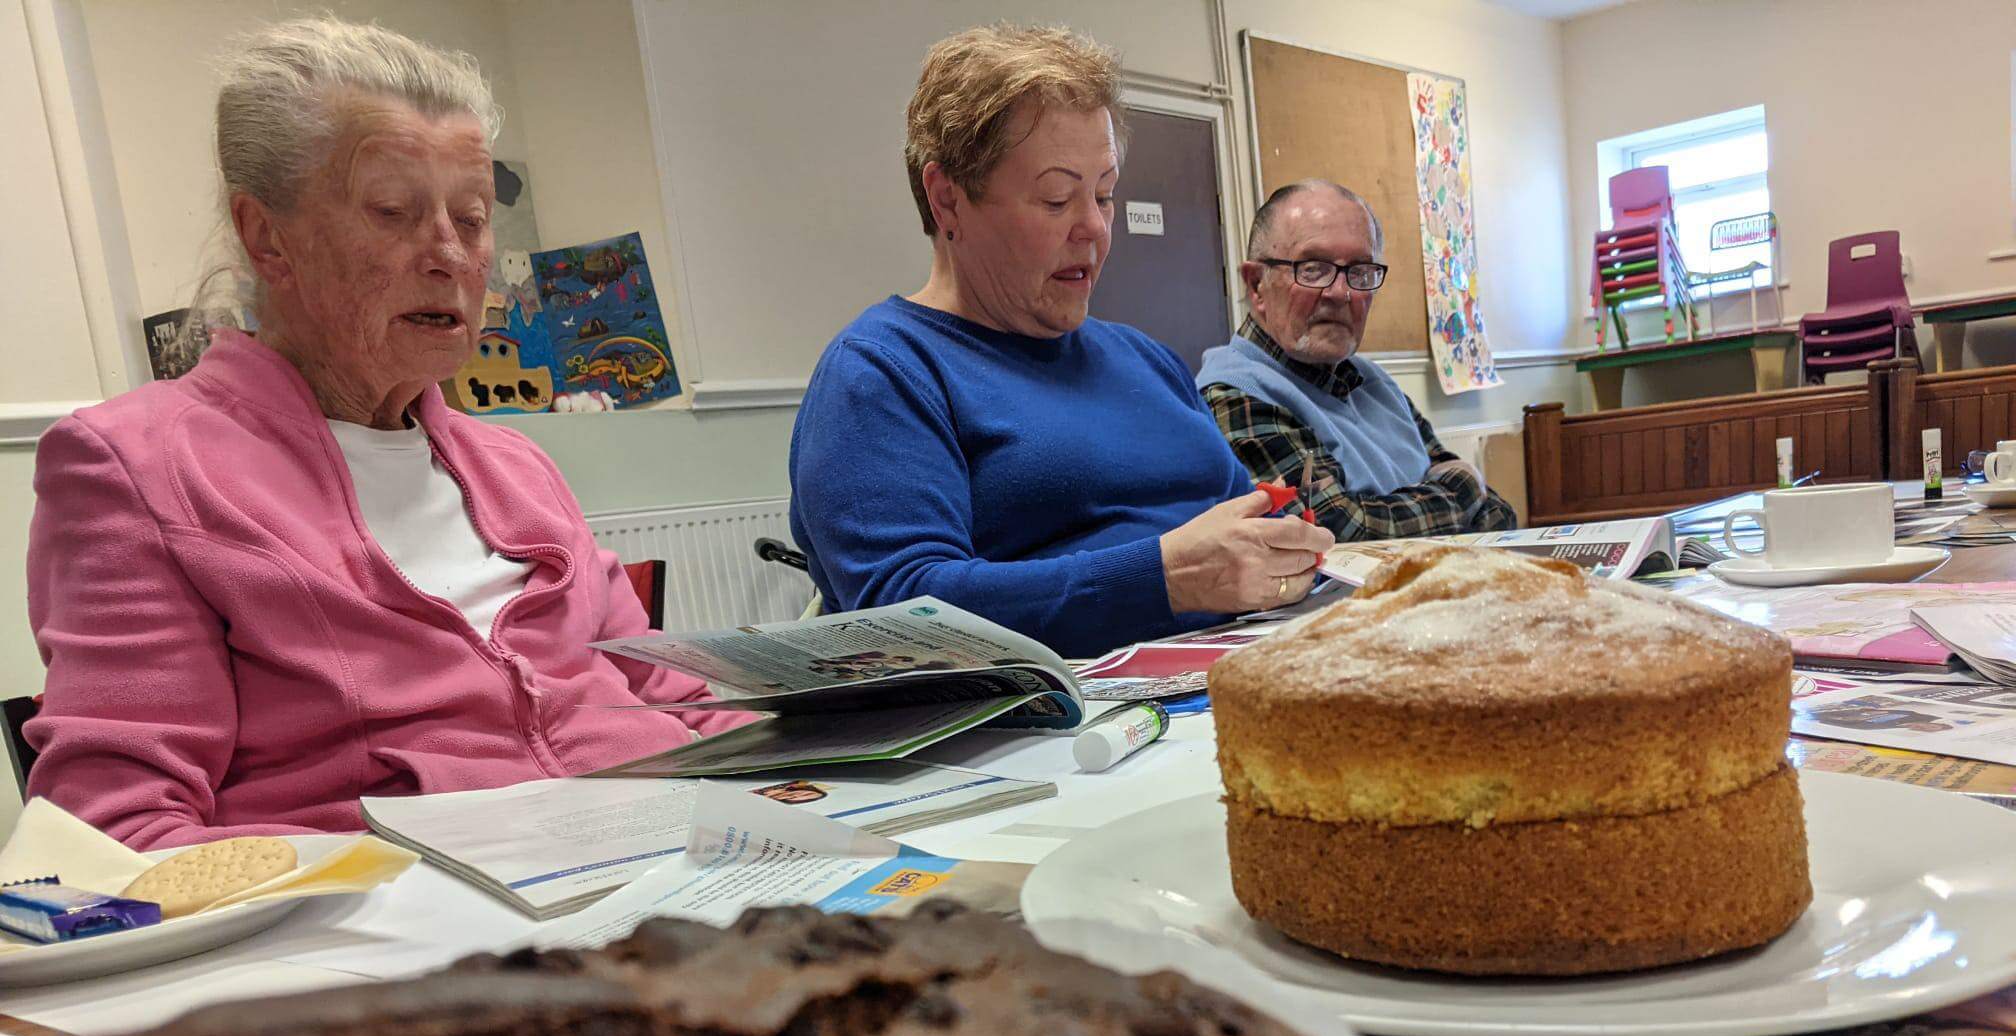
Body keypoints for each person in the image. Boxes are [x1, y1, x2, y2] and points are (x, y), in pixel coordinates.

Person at [25, 19, 741, 849]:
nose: (448, 256)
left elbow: (685, 699)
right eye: (394, 213)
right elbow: (117, 836)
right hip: (434, 935)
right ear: (268, 237)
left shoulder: (515, 466)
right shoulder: (137, 468)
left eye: (471, 220)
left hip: (677, 874)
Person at [788, 24, 1332, 658]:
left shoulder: (1146, 359)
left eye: (1104, 194)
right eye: (1055, 198)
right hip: (1073, 731)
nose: (1094, 229)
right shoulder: (883, 371)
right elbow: (903, 617)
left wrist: (1284, 549)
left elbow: (1247, 522)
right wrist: (1164, 580)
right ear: (948, 201)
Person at [1197, 181, 1516, 541]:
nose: (1341, 293)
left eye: (1361, 272)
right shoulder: (1234, 395)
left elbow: (1498, 515)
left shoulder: (1374, 384)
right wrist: (1464, 488)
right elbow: (1339, 530)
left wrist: (1453, 498)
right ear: (1256, 285)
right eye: (1313, 268)